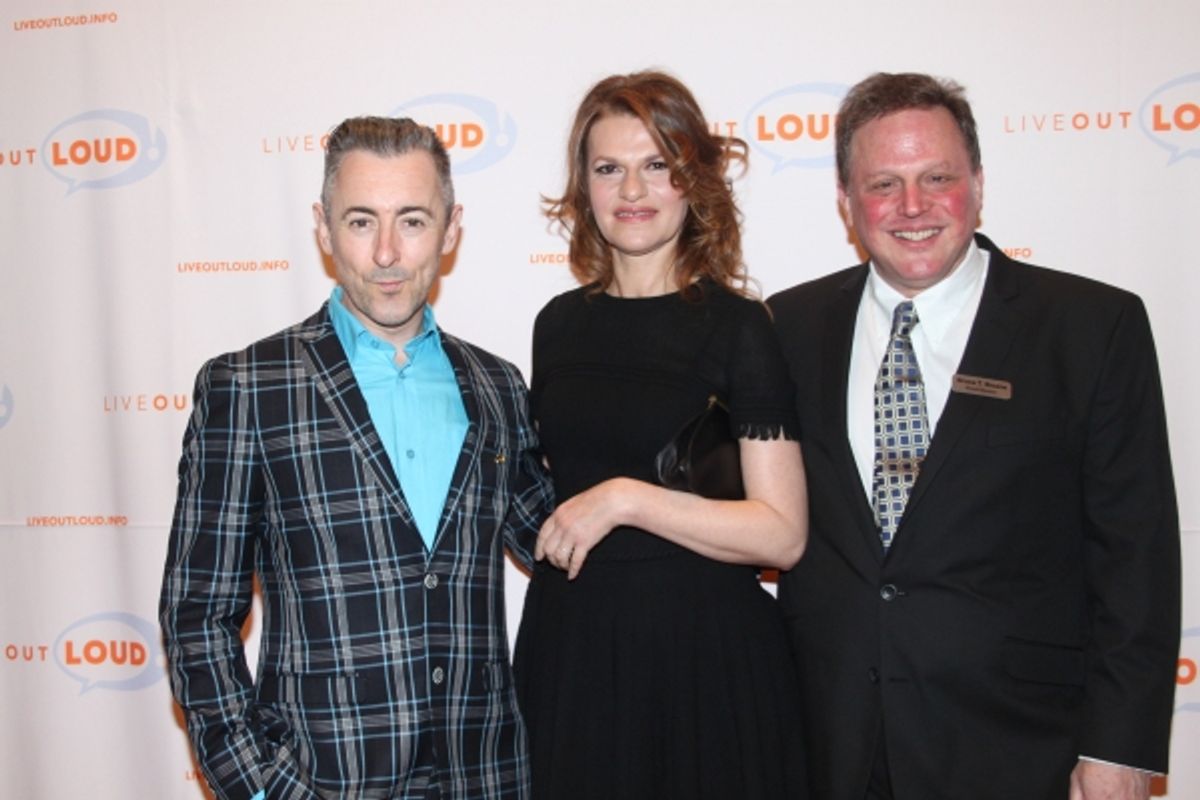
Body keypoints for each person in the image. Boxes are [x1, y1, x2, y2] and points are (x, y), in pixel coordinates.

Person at [768, 72, 1181, 800]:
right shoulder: (785, 329)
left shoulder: (1089, 328)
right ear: (845, 201)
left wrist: (1121, 748)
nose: (913, 207)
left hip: (1021, 750)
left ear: (979, 184)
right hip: (825, 745)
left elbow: (1136, 559)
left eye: (937, 178)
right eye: (883, 184)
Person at [159, 116, 554, 800]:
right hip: (322, 779)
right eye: (362, 222)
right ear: (322, 226)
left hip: (486, 778)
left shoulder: (497, 387)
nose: (387, 254)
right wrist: (259, 787)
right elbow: (196, 614)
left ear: (452, 228)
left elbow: (560, 543)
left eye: (413, 221)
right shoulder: (249, 387)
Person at [511, 71, 809, 800]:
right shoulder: (557, 324)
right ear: (584, 188)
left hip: (704, 659)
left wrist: (624, 500)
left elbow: (782, 534)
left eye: (657, 165)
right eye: (609, 168)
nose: (632, 191)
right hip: (575, 651)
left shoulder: (740, 328)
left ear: (691, 180)